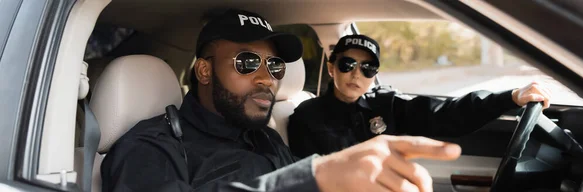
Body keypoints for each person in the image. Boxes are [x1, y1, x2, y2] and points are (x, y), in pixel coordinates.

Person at [101, 9, 462, 192]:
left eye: (274, 65)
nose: (267, 77)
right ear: (205, 72)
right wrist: (313, 178)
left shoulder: (264, 135)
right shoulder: (149, 148)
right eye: (246, 63)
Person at [287, 34, 553, 158]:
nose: (357, 74)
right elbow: (306, 176)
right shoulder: (307, 115)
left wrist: (512, 97)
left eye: (368, 69)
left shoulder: (387, 104)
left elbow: (448, 114)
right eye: (347, 65)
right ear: (332, 68)